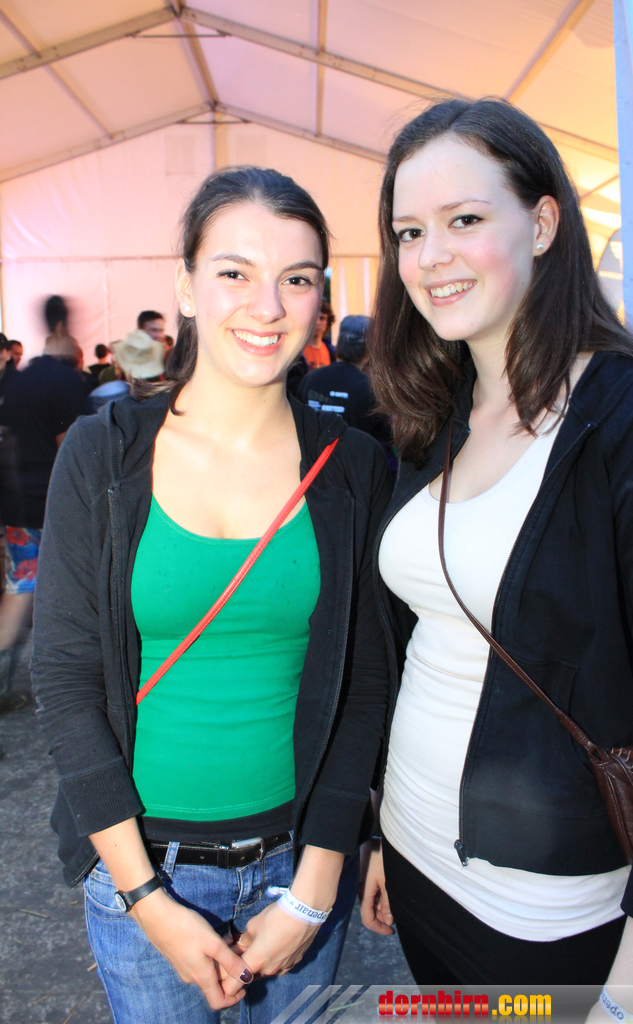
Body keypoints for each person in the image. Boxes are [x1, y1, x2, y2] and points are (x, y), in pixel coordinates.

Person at [32, 166, 390, 1024]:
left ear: (320, 300)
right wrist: (146, 899)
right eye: (235, 272)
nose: (266, 306)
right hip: (141, 870)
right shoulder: (102, 455)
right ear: (187, 286)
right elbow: (66, 680)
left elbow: (367, 680)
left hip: (300, 863)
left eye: (296, 279)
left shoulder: (353, 466)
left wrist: (317, 882)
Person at [360, 97, 633, 1015]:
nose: (430, 256)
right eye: (409, 232)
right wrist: (380, 831)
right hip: (414, 860)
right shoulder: (435, 411)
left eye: (464, 220)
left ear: (542, 224)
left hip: (546, 913)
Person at [0, 330, 89, 705]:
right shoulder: (67, 383)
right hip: (53, 504)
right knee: (76, 590)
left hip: (17, 501)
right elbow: (71, 448)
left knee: (20, 587)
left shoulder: (19, 381)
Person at [298, 315, 390, 447]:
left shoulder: (310, 379)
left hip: (314, 457)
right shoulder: (370, 387)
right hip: (355, 458)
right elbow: (387, 436)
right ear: (369, 350)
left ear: (339, 345)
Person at [302, 299, 334, 370]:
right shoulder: (298, 350)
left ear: (328, 323)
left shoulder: (331, 351)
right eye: (314, 318)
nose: (317, 322)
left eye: (322, 318)